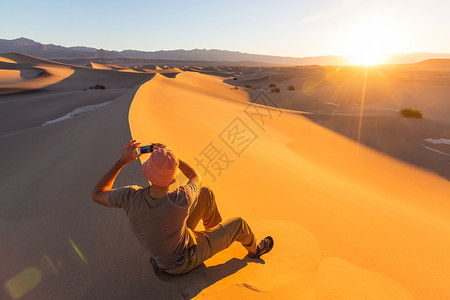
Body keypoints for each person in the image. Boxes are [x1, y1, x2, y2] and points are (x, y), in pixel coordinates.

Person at [91, 140, 273, 275]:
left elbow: (97, 193)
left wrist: (122, 161)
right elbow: (196, 176)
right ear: (172, 180)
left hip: (164, 252)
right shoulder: (181, 199)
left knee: (206, 194)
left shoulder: (129, 196)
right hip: (183, 260)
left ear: (146, 171)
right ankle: (255, 250)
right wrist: (173, 157)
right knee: (240, 224)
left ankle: (213, 233)